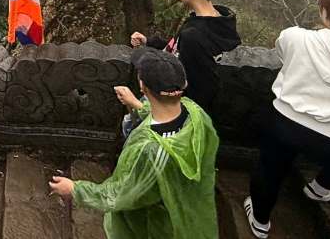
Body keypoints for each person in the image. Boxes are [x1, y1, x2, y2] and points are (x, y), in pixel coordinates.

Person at [49, 47, 219, 239]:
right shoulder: (197, 114)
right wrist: (138, 105)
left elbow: (121, 194)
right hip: (191, 206)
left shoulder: (150, 151)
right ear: (183, 84)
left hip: (158, 224)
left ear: (142, 86)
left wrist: (75, 189)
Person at [245, 0, 330, 238]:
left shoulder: (295, 37)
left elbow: (282, 56)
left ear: (323, 11)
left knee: (270, 169)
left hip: (284, 126)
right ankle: (320, 188)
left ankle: (259, 221)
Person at [130, 0, 240, 115]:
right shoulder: (221, 18)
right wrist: (150, 42)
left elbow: (198, 84)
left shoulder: (194, 34)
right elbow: (181, 49)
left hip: (183, 109)